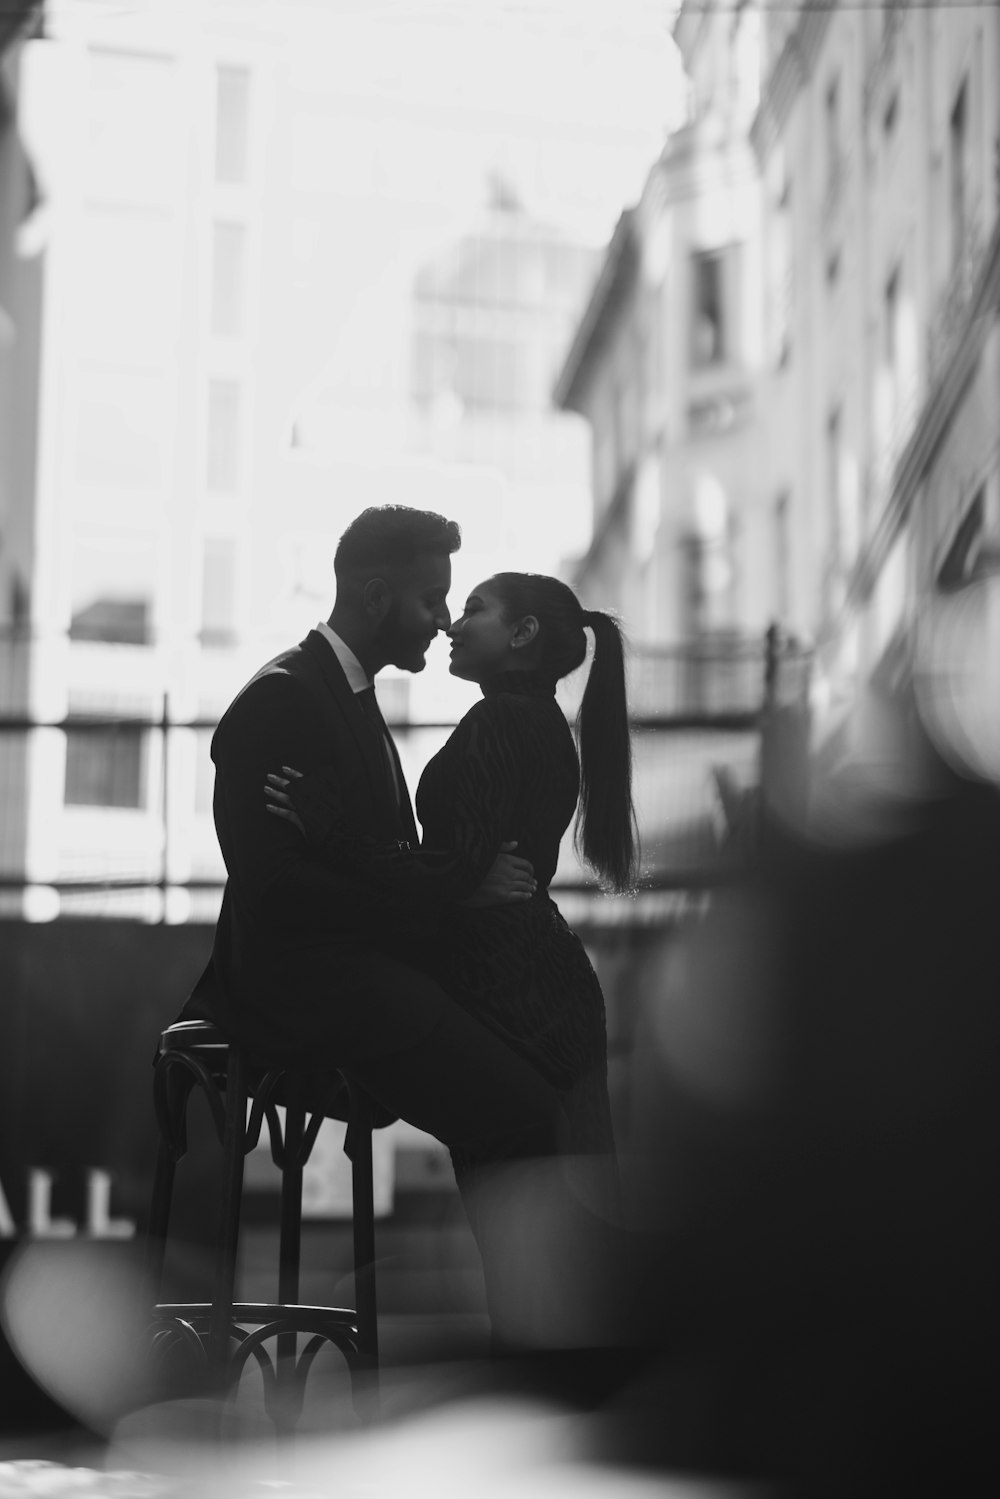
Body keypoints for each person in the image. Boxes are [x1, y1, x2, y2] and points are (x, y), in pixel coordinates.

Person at [181, 505, 567, 1200]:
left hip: (363, 976)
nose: (444, 619)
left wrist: (447, 890)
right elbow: (273, 891)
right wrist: (452, 891)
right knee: (531, 1116)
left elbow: (378, 860)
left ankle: (526, 1299)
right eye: (431, 599)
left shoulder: (348, 695)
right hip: (303, 991)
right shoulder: (283, 699)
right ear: (376, 597)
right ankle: (534, 1303)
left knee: (530, 1097)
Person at [266, 572, 638, 1166]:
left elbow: (454, 872)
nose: (452, 625)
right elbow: (463, 872)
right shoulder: (538, 721)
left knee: (523, 1212)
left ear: (524, 632)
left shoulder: (503, 721)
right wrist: (460, 881)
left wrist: (331, 832)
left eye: (474, 609)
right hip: (535, 987)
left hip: (510, 995)